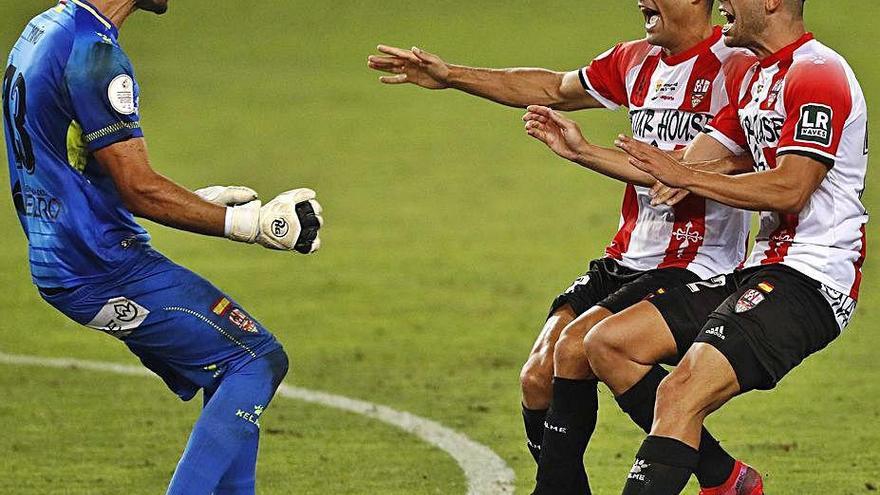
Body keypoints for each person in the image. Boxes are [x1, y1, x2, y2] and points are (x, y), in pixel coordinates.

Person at [369, 1, 762, 493]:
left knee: (579, 347)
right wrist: (451, 75)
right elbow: (554, 87)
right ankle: (723, 474)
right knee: (537, 378)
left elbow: (700, 164)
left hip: (694, 262)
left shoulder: (740, 67)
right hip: (626, 255)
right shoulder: (633, 59)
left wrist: (590, 152)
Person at [532, 0, 867, 492]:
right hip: (763, 269)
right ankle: (725, 481)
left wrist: (688, 176)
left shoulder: (817, 74)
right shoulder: (759, 80)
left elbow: (792, 187)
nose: (723, 3)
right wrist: (583, 152)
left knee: (680, 394)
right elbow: (685, 164)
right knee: (607, 343)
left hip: (815, 279)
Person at [3, 1, 324, 493]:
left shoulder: (45, 28)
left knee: (229, 371)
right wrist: (250, 223)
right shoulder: (96, 56)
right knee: (254, 359)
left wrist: (194, 202)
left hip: (62, 257)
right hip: (101, 264)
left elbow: (68, 162)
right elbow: (137, 188)